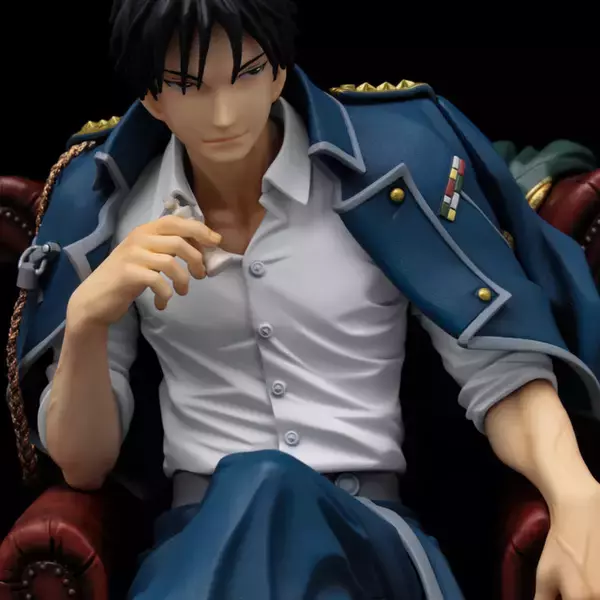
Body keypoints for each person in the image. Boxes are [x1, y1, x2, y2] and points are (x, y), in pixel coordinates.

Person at [12, 0, 600, 598]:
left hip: (369, 540)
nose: (224, 113)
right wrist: (85, 320)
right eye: (190, 86)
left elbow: (498, 374)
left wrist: (577, 495)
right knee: (258, 487)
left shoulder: (381, 182)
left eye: (246, 74)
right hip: (198, 545)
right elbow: (83, 465)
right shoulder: (114, 212)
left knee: (269, 482)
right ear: (153, 98)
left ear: (279, 73)